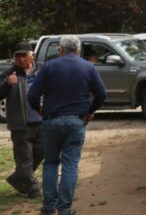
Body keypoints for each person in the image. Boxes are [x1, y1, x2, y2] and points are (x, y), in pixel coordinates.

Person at [28, 35, 107, 215]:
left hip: (51, 120)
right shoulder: (88, 67)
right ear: (78, 50)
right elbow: (102, 93)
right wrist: (90, 110)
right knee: (70, 165)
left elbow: (32, 95)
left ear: (60, 49)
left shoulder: (48, 67)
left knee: (50, 164)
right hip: (75, 121)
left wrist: (39, 109)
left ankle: (49, 207)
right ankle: (65, 209)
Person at [0, 42, 44, 198]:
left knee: (41, 150)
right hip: (20, 124)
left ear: (31, 55)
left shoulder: (41, 72)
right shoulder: (9, 75)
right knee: (24, 157)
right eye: (17, 56)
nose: (20, 59)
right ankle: (33, 188)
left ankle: (19, 179)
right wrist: (6, 85)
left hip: (41, 121)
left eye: (23, 55)